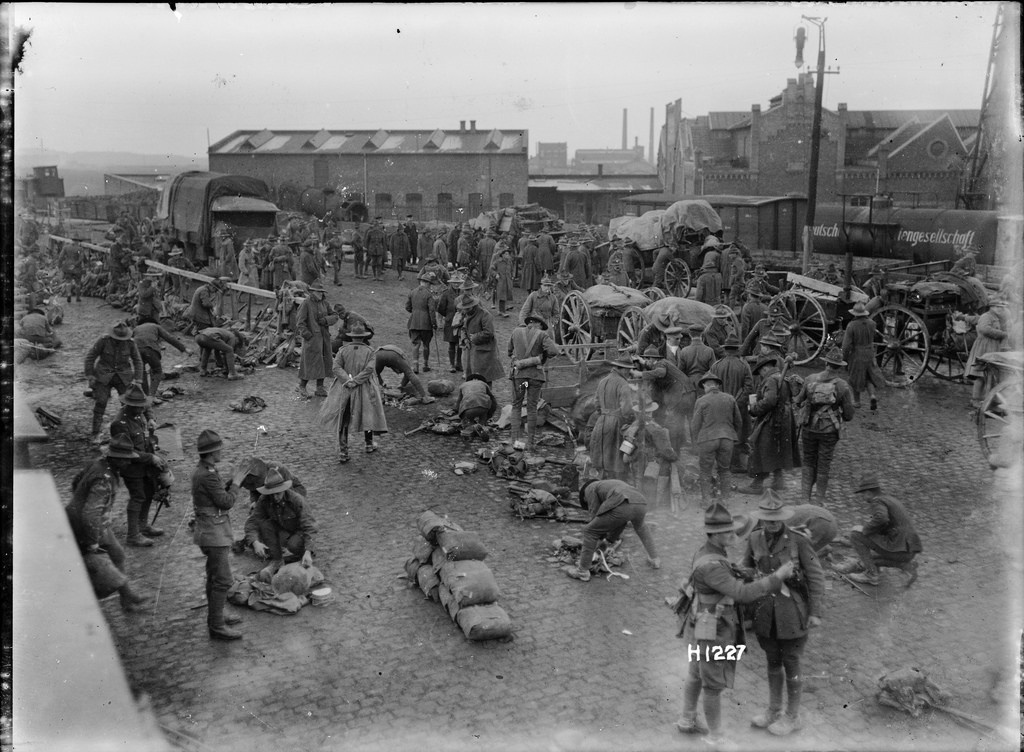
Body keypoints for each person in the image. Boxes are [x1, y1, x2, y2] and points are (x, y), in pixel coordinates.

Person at [676, 503, 795, 745]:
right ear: (714, 534)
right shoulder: (712, 565)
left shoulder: (707, 553)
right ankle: (716, 738)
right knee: (712, 685)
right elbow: (741, 594)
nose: (734, 535)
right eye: (728, 532)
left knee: (695, 674)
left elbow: (726, 577)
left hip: (698, 625)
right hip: (714, 631)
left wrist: (742, 571)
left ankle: (687, 720)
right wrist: (776, 578)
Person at [741, 491, 825, 737]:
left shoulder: (798, 540)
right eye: (768, 518)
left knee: (792, 662)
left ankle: (793, 716)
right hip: (765, 611)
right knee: (772, 662)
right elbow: (747, 565)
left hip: (792, 612)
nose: (772, 523)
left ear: (783, 518)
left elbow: (816, 576)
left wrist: (815, 612)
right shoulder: (755, 538)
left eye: (776, 518)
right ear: (762, 519)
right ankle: (773, 710)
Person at [65, 435, 150, 612]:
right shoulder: (104, 478)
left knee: (118, 554)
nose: (129, 463)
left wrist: (79, 499)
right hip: (85, 524)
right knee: (89, 566)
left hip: (92, 519)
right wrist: (92, 541)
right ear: (116, 458)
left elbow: (76, 482)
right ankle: (119, 599)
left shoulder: (98, 464)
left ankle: (127, 597)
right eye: (126, 460)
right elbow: (90, 513)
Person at [191, 429, 244, 640]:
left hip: (210, 529)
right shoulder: (208, 475)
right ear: (213, 452)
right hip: (214, 532)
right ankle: (216, 625)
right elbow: (226, 502)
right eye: (219, 449)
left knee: (214, 576)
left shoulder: (204, 470)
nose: (222, 452)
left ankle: (218, 613)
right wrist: (238, 483)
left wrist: (229, 483)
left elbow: (218, 493)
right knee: (222, 579)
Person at [792, 346, 855, 503]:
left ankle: (805, 498)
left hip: (809, 428)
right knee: (824, 464)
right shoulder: (843, 386)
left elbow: (798, 401)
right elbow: (849, 415)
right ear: (839, 367)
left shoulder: (810, 379)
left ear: (826, 363)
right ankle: (819, 500)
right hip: (829, 431)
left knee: (808, 460)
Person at [736, 339, 800, 494]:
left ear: (765, 368)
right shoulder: (780, 377)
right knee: (777, 449)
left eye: (761, 371)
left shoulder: (771, 380)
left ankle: (757, 484)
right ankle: (779, 481)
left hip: (773, 419)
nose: (760, 374)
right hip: (784, 418)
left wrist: (754, 409)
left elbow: (770, 401)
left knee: (762, 449)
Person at [318, 322, 388, 463]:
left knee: (343, 418)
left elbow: (336, 367)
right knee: (367, 415)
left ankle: (343, 452)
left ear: (351, 337)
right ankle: (369, 444)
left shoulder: (343, 350)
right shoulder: (370, 351)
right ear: (363, 338)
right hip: (364, 388)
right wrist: (356, 381)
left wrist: (348, 381)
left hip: (344, 388)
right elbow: (369, 370)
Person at [109, 384, 168, 546]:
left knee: (148, 492)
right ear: (129, 405)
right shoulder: (119, 423)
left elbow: (141, 439)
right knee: (138, 496)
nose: (142, 408)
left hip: (144, 464)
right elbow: (126, 452)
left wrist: (151, 427)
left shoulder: (136, 415)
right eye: (139, 406)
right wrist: (150, 458)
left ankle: (143, 525)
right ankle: (133, 534)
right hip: (131, 467)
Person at [565, 479, 660, 581]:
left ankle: (582, 571)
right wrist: (608, 541)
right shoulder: (607, 484)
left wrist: (597, 538)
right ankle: (654, 559)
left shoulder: (589, 488)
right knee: (641, 528)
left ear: (583, 497)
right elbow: (620, 521)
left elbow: (595, 513)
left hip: (623, 502)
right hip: (641, 502)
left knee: (589, 531)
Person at [844, 473, 922, 586]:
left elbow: (882, 518)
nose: (863, 497)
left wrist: (865, 530)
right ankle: (906, 566)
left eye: (863, 494)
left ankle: (872, 575)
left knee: (855, 535)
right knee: (872, 558)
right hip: (908, 550)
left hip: (900, 550)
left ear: (869, 493)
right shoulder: (889, 499)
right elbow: (886, 523)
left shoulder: (877, 502)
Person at [243, 469, 317, 580]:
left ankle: (304, 556)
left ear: (284, 490)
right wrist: (255, 542)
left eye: (278, 493)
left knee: (294, 545)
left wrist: (308, 551)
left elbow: (309, 526)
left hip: (298, 532)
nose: (275, 497)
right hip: (282, 529)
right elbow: (253, 521)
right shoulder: (264, 500)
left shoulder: (296, 500)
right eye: (271, 494)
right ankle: (277, 560)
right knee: (265, 524)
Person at [508, 314, 561, 450]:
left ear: (529, 323)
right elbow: (554, 351)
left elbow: (509, 351)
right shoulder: (542, 335)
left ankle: (515, 441)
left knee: (516, 405)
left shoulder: (516, 331)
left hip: (521, 378)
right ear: (538, 324)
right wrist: (541, 356)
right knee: (532, 408)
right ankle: (530, 443)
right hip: (535, 378)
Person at [84, 322, 144, 444]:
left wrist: (138, 380)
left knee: (129, 404)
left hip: (123, 376)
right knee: (101, 402)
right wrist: (90, 375)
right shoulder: (103, 341)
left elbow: (138, 361)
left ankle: (134, 432)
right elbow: (91, 356)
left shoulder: (130, 343)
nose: (120, 341)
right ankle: (95, 433)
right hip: (103, 375)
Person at [691, 371, 742, 503]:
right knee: (724, 470)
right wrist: (730, 434)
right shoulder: (730, 398)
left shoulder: (701, 401)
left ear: (706, 386)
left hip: (708, 439)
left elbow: (695, 425)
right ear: (717, 385)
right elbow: (739, 422)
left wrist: (696, 442)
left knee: (705, 471)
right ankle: (725, 499)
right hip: (727, 438)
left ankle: (706, 500)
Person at [710, 334, 754, 473]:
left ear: (726, 349)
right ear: (737, 349)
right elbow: (749, 388)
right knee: (737, 435)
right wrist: (737, 403)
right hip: (738, 407)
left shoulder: (716, 366)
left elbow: (710, 386)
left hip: (719, 407)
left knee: (721, 433)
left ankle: (722, 464)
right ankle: (735, 464)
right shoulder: (743, 366)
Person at [589, 358, 636, 482]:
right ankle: (617, 483)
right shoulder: (623, 384)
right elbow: (627, 409)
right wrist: (630, 420)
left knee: (602, 454)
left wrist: (603, 414)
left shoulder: (603, 381)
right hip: (616, 423)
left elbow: (596, 403)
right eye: (628, 370)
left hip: (601, 421)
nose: (629, 373)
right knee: (616, 457)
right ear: (622, 369)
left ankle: (603, 480)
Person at [295, 280, 337, 398]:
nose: (320, 294)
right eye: (318, 292)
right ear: (312, 292)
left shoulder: (325, 303)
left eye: (322, 292)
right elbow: (300, 322)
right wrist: (307, 335)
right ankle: (301, 386)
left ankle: (320, 387)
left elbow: (335, 315)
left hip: (324, 338)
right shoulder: (306, 303)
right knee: (309, 363)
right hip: (312, 339)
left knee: (323, 362)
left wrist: (326, 320)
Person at [965, 297, 1011, 405]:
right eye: (997, 307)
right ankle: (975, 399)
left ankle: (987, 399)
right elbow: (984, 329)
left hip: (992, 346)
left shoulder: (996, 317)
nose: (1000, 309)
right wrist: (1002, 334)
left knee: (988, 375)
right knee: (980, 375)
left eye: (1001, 307)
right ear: (991, 307)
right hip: (984, 347)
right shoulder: (986, 316)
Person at [841, 301, 885, 410]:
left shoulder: (851, 325)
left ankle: (857, 402)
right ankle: (872, 396)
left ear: (855, 314)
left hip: (857, 354)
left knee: (854, 378)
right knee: (869, 377)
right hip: (870, 352)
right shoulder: (872, 323)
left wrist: (844, 358)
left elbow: (846, 345)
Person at [132, 321, 191, 402]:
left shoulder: (136, 328)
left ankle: (145, 396)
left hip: (136, 349)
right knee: (157, 371)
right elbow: (169, 338)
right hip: (150, 348)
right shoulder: (156, 326)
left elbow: (127, 340)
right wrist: (185, 349)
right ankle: (151, 396)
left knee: (142, 372)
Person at [458, 293, 505, 383]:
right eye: (465, 308)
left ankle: (486, 395)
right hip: (471, 351)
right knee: (471, 377)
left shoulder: (485, 315)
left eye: (468, 308)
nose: (466, 310)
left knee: (484, 378)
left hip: (484, 352)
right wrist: (465, 339)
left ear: (473, 306)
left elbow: (489, 332)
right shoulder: (467, 313)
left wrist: (475, 337)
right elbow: (463, 328)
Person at [406, 270, 439, 374]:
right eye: (430, 284)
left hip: (414, 322)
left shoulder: (412, 292)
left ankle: (415, 365)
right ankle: (425, 364)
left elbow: (407, 307)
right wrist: (434, 323)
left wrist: (415, 312)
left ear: (421, 281)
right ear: (427, 283)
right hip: (426, 324)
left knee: (415, 344)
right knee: (426, 344)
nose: (430, 286)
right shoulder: (429, 295)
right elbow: (432, 310)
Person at [436, 271, 465, 373]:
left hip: (462, 321)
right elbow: (440, 308)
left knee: (461, 343)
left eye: (458, 282)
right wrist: (448, 316)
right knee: (452, 343)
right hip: (450, 322)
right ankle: (452, 364)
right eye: (454, 282)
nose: (456, 284)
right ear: (451, 283)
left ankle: (459, 363)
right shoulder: (446, 294)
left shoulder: (464, 293)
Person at [58, 237, 86, 302]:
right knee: (77, 282)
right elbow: (81, 258)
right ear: (78, 241)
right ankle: (78, 297)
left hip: (67, 266)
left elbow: (60, 257)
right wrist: (75, 265)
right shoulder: (80, 249)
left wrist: (59, 265)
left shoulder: (65, 247)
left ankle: (68, 294)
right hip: (77, 268)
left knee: (68, 281)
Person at [489, 247, 515, 316]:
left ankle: (501, 310)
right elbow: (491, 269)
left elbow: (512, 270)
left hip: (508, 281)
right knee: (502, 295)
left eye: (508, 254)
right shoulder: (498, 262)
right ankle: (502, 311)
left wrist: (512, 276)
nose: (508, 255)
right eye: (506, 254)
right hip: (500, 281)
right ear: (502, 255)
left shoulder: (509, 262)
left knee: (506, 295)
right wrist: (495, 274)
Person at [365, 217, 387, 281]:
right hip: (372, 250)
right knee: (373, 263)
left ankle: (379, 276)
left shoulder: (382, 233)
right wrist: (367, 249)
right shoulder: (370, 232)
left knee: (379, 263)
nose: (376, 228)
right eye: (375, 226)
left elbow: (384, 243)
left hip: (380, 250)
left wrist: (384, 251)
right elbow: (367, 241)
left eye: (377, 226)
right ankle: (374, 275)